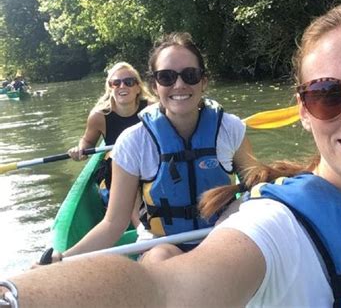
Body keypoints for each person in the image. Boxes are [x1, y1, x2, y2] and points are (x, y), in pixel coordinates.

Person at [1, 3, 341, 307]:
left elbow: (250, 174)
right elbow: (157, 288)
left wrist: (252, 193)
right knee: (162, 253)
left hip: (216, 228)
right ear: (303, 110)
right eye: (328, 94)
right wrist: (43, 273)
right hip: (174, 243)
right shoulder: (271, 231)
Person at [49, 32, 255, 263]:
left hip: (221, 237)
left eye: (190, 75)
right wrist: (62, 258)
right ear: (154, 86)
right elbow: (113, 224)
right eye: (166, 77)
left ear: (203, 81)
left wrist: (234, 211)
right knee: (160, 257)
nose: (179, 84)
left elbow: (256, 189)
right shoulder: (133, 141)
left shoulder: (230, 128)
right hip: (161, 244)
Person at [67, 62, 154, 215]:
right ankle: (140, 226)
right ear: (110, 88)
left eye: (129, 82)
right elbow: (88, 141)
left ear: (138, 87)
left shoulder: (152, 109)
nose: (122, 86)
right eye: (116, 83)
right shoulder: (99, 116)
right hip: (117, 166)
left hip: (148, 160)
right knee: (128, 179)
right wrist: (80, 149)